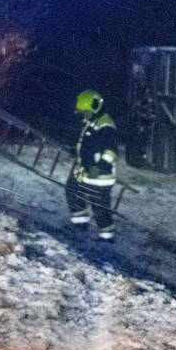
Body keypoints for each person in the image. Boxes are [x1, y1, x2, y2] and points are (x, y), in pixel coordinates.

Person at [68, 89, 120, 240]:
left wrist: (100, 167)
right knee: (72, 191)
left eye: (85, 111)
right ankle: (80, 227)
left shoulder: (106, 126)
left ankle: (107, 238)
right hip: (86, 173)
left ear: (94, 108)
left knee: (99, 208)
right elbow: (88, 145)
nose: (83, 115)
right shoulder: (92, 122)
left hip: (100, 176)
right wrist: (76, 151)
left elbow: (111, 151)